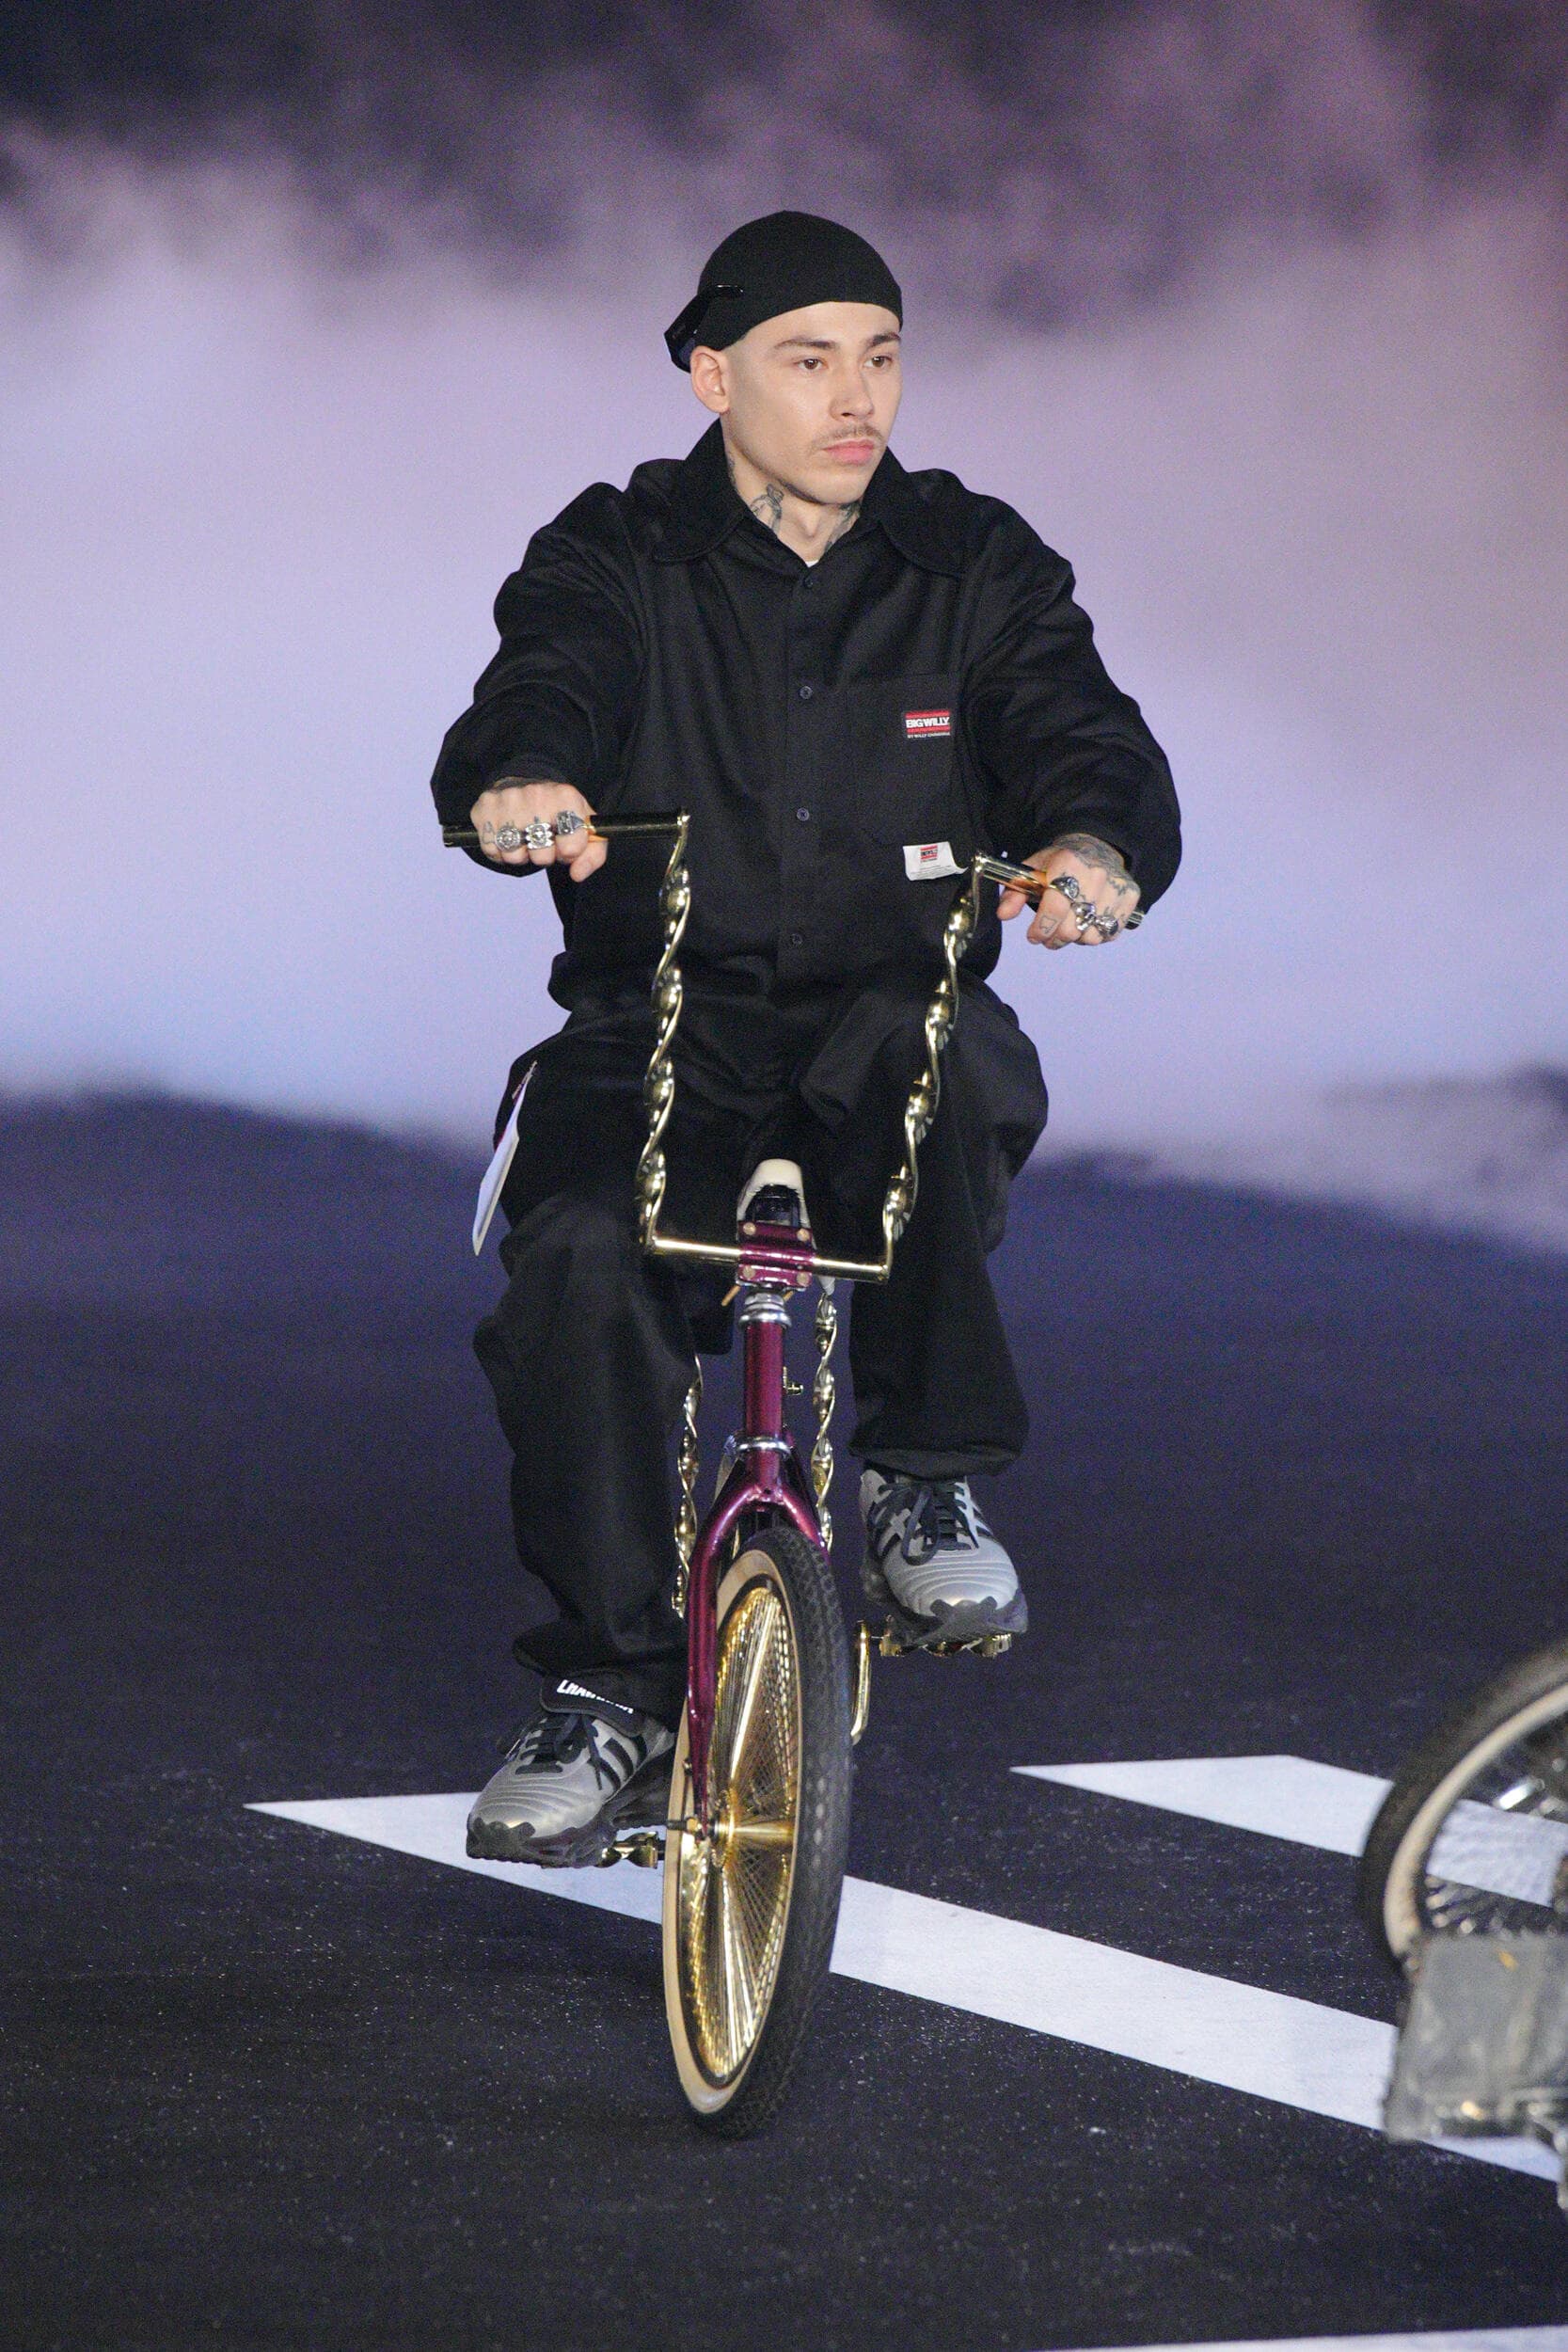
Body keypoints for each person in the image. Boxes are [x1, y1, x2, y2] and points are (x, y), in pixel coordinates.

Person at [430, 210, 1180, 1866]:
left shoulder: (971, 559)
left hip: (888, 1007)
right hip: (661, 1017)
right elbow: (540, 684)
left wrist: (1094, 847)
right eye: (810, 360)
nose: (858, 399)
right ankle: (613, 1685)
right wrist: (524, 780)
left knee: (950, 1071)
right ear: (714, 377)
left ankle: (921, 1477)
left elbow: (1084, 734)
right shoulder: (619, 548)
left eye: (883, 358)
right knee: (575, 1264)